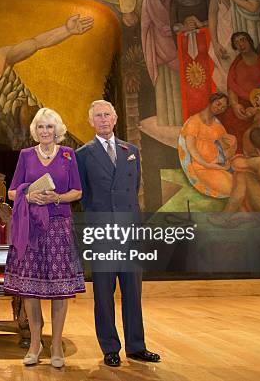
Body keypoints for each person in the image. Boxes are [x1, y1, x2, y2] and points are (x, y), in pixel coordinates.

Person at [76, 100, 160, 367]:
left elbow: (134, 188)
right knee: (103, 293)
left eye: (107, 115)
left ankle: (137, 346)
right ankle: (110, 347)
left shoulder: (130, 150)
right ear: (91, 122)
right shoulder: (83, 154)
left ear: (115, 118)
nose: (102, 119)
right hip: (102, 231)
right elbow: (82, 195)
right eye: (97, 116)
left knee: (133, 292)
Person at [4, 108, 85, 368]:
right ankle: (35, 344)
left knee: (60, 291)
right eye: (40, 127)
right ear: (35, 131)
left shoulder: (67, 154)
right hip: (31, 229)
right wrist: (28, 197)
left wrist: (57, 198)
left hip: (59, 226)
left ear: (57, 130)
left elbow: (77, 191)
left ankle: (57, 344)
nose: (45, 131)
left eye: (49, 127)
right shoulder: (26, 155)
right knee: (30, 290)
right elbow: (12, 192)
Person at [141, 0, 181, 126]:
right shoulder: (148, 3)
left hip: (172, 45)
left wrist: (171, 28)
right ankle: (165, 121)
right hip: (156, 47)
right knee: (162, 83)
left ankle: (178, 120)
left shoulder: (172, 0)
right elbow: (145, 28)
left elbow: (178, 19)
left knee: (176, 83)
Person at [178, 92, 236, 199]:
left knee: (240, 182)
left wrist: (232, 145)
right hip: (202, 167)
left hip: (218, 164)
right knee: (233, 187)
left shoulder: (217, 125)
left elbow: (225, 148)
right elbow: (191, 148)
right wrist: (207, 164)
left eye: (223, 107)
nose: (219, 108)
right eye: (218, 104)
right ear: (211, 101)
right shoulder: (194, 122)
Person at [218, 31, 260, 151]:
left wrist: (256, 108)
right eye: (237, 42)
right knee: (227, 119)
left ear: (249, 41)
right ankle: (234, 156)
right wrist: (235, 105)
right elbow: (232, 87)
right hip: (242, 104)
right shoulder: (236, 65)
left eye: (243, 40)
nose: (241, 44)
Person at [208, 0, 237, 93]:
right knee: (225, 70)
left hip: (237, 31)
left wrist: (230, 3)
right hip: (222, 34)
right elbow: (212, 16)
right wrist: (215, 42)